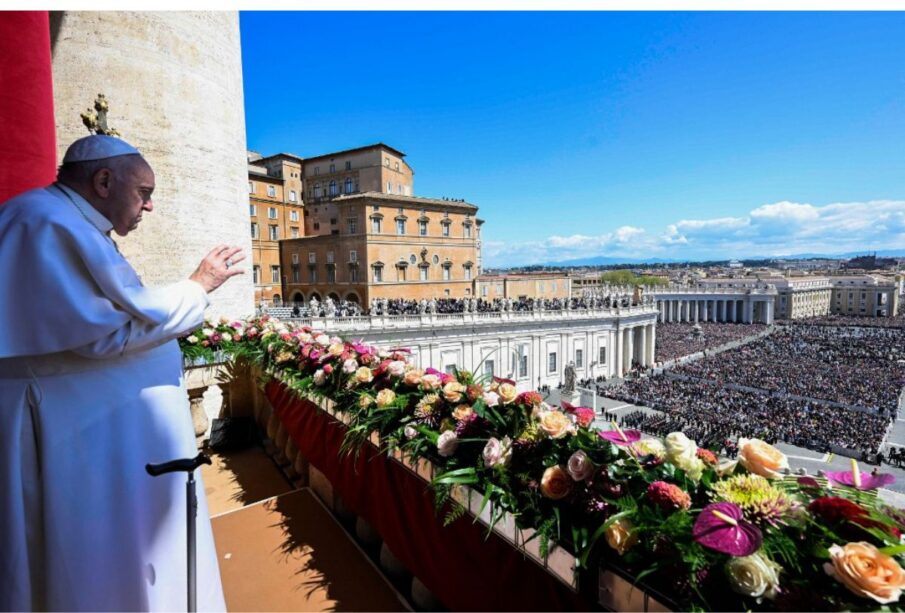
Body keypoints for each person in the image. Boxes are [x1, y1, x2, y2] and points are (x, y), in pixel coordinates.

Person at [0, 135, 240, 611]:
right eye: (144, 192)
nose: (149, 206)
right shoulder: (46, 223)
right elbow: (107, 333)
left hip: (88, 429)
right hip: (71, 435)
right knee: (86, 563)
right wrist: (199, 286)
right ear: (104, 180)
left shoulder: (63, 221)